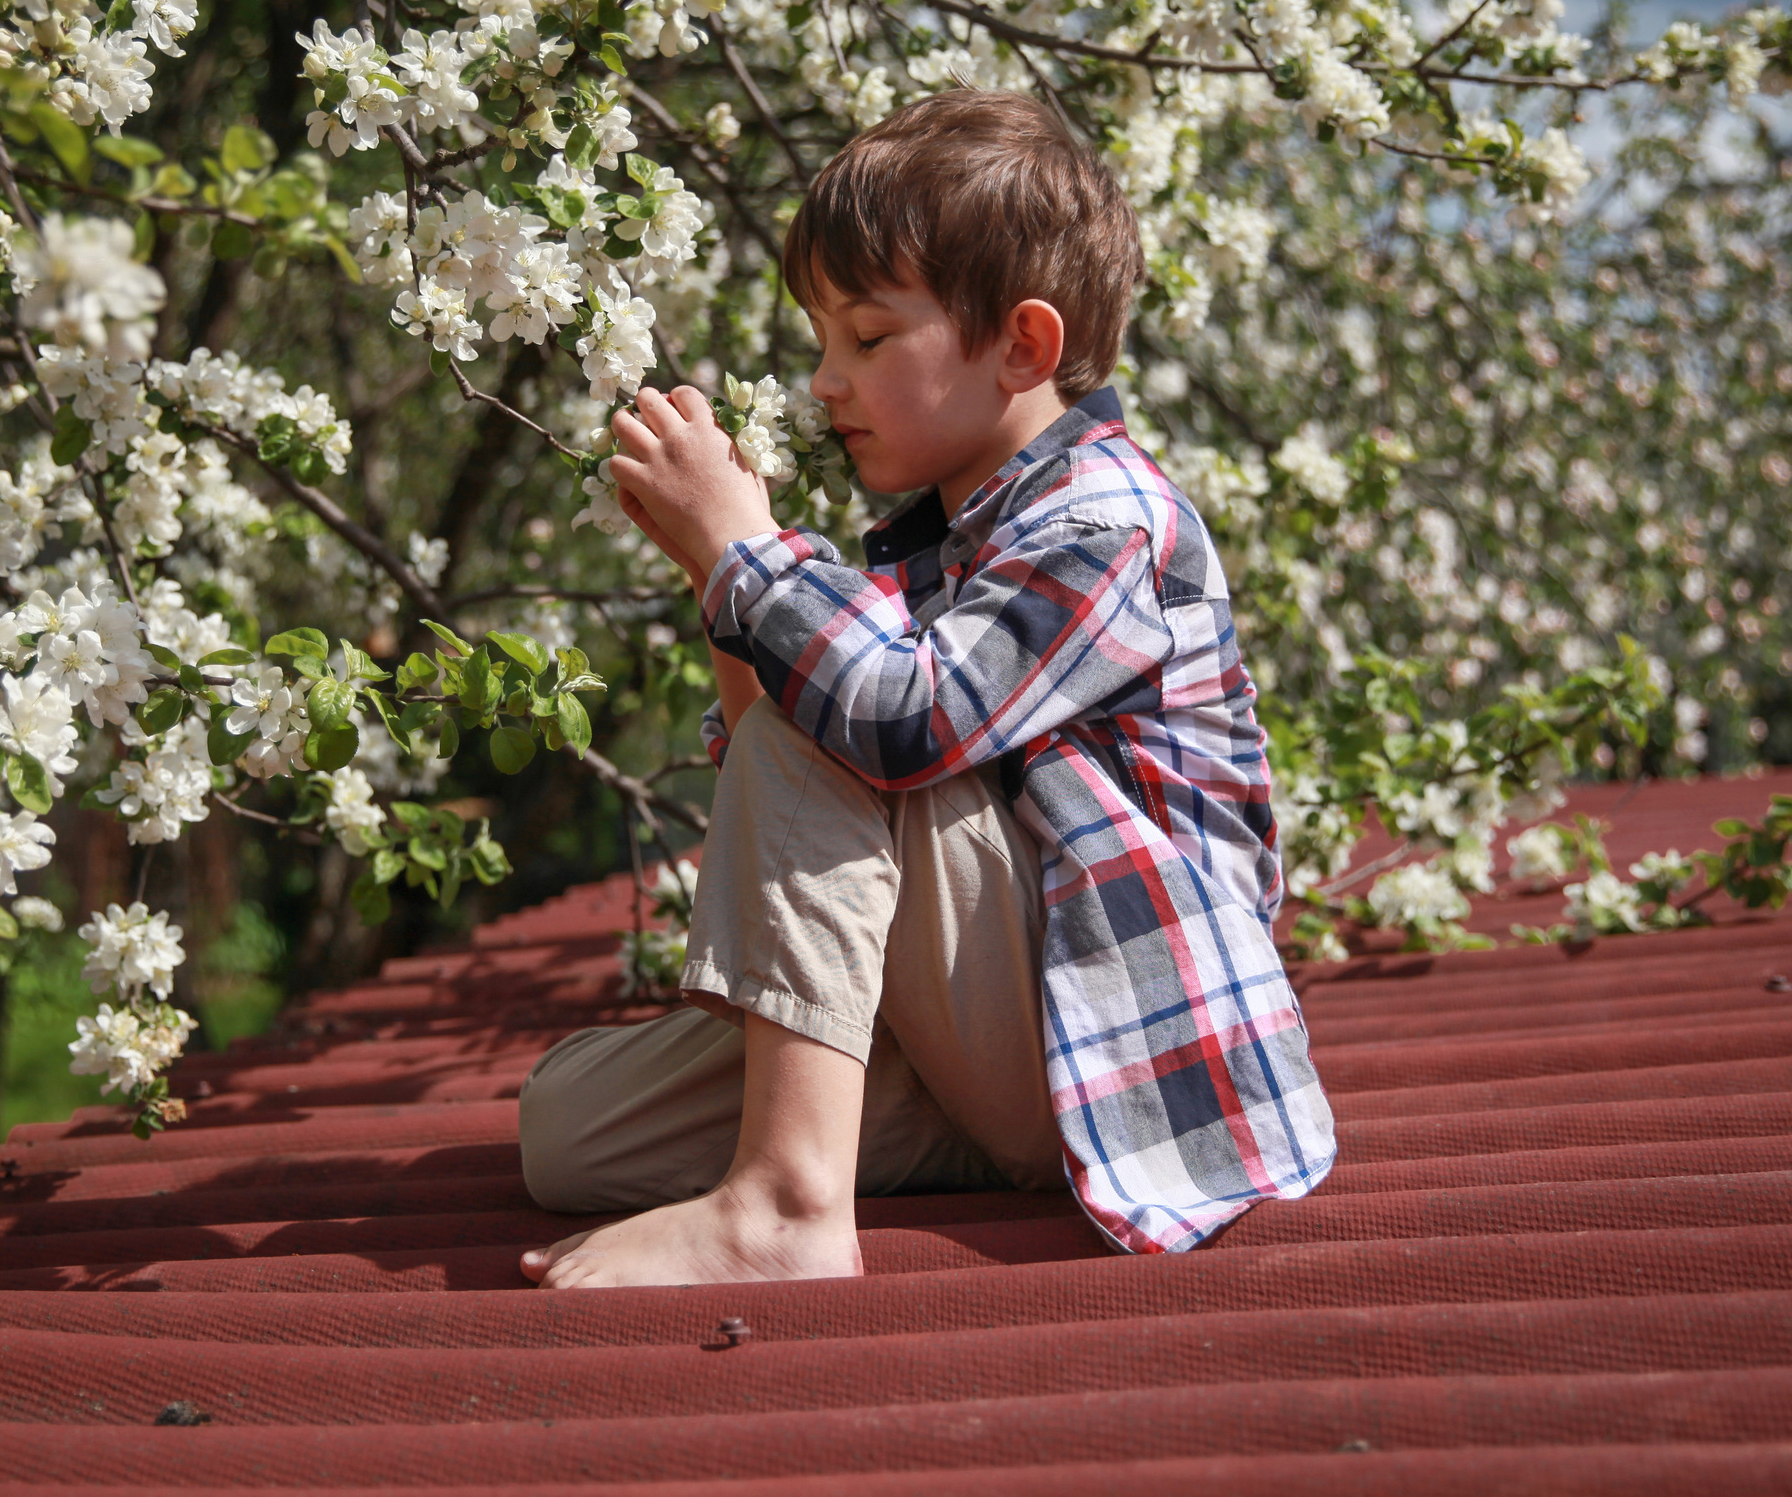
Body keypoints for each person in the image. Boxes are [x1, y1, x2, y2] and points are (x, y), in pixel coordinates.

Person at [517, 87, 1336, 1289]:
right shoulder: (925, 546)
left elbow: (898, 724)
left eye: (866, 337)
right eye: (819, 343)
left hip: (1107, 1034)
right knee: (565, 1129)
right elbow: (773, 735)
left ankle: (787, 1207)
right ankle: (845, 1142)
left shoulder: (1106, 524)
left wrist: (754, 556)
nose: (822, 383)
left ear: (1021, 347)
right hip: (993, 1043)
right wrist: (720, 579)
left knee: (845, 723)